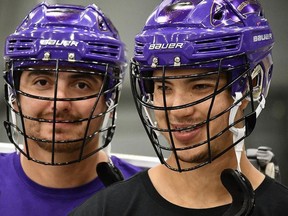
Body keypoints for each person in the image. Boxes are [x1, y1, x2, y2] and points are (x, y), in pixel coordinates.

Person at [69, 0, 288, 215]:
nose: (178, 109)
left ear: (253, 85)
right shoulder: (105, 210)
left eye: (200, 86)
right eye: (164, 87)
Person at [0, 2, 141, 215]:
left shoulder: (143, 197)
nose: (59, 103)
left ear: (109, 99)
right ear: (15, 96)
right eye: (41, 82)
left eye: (81, 85)